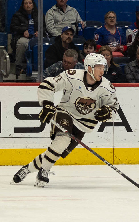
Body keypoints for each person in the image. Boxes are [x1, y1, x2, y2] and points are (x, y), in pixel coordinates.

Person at [12, 53, 118, 187]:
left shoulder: (107, 87)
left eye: (103, 67)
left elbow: (114, 108)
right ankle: (44, 171)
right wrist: (47, 103)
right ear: (89, 68)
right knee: (63, 139)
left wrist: (108, 113)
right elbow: (47, 84)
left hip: (84, 125)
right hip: (65, 113)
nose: (102, 71)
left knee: (56, 151)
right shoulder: (72, 76)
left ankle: (27, 169)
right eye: (99, 67)